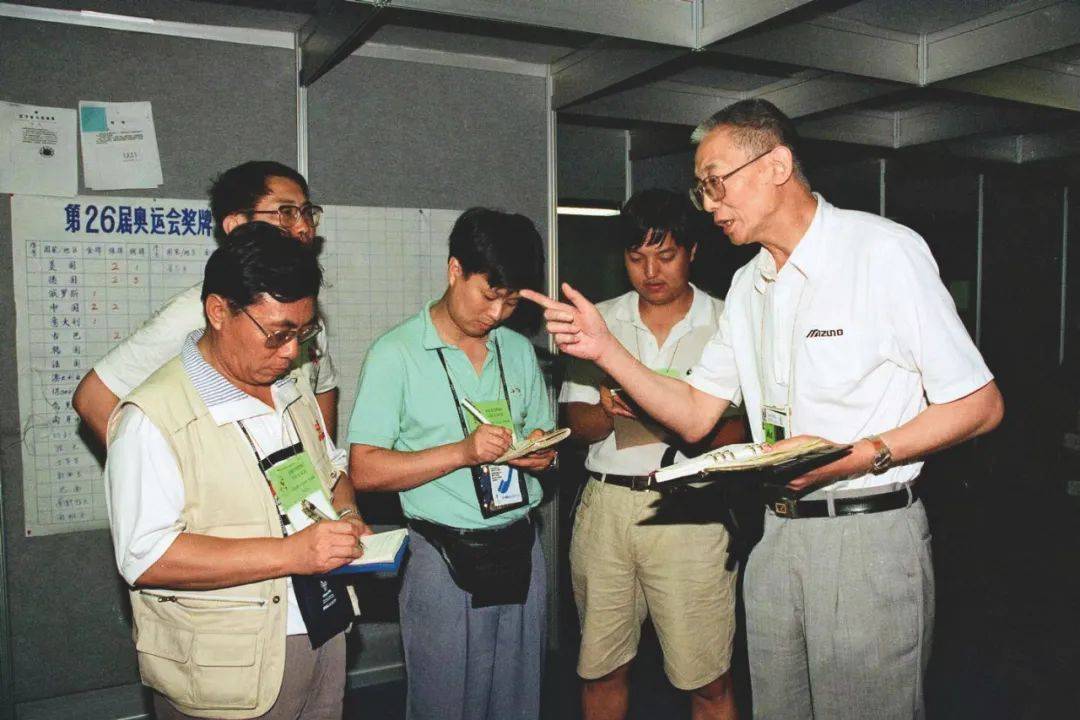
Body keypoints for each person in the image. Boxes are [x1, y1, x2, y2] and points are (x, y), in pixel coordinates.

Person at [523, 99, 1005, 720]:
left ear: (776, 164)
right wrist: (607, 351)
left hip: (864, 529)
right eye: (701, 188)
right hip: (776, 534)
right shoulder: (751, 286)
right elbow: (696, 413)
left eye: (716, 181)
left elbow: (980, 404)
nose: (709, 202)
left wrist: (860, 455)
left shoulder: (881, 252)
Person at [104, 222, 370, 720]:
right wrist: (291, 553)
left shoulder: (291, 387)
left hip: (322, 624)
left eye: (302, 332)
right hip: (225, 666)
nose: (292, 351)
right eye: (277, 334)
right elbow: (147, 557)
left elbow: (332, 472)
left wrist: (348, 511)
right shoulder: (152, 418)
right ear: (219, 311)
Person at [347, 208, 556, 720]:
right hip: (440, 554)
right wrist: (462, 453)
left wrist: (540, 454)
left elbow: (544, 443)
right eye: (489, 295)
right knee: (444, 702)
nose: (497, 314)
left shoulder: (518, 352)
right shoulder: (395, 354)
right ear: (454, 270)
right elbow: (365, 469)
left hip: (520, 544)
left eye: (510, 302)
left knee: (518, 700)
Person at [559, 189, 744, 720]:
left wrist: (664, 410)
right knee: (601, 668)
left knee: (705, 676)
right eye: (637, 258)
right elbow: (579, 425)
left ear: (692, 252)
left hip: (691, 507)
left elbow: (741, 432)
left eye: (665, 256)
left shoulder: (728, 320)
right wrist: (613, 409)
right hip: (607, 510)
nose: (651, 271)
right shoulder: (598, 321)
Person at [73, 161, 339, 445]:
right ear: (236, 225)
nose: (303, 228)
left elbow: (323, 386)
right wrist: (161, 475)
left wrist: (324, 467)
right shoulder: (199, 314)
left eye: (307, 213)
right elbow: (93, 399)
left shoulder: (302, 311)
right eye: (286, 213)